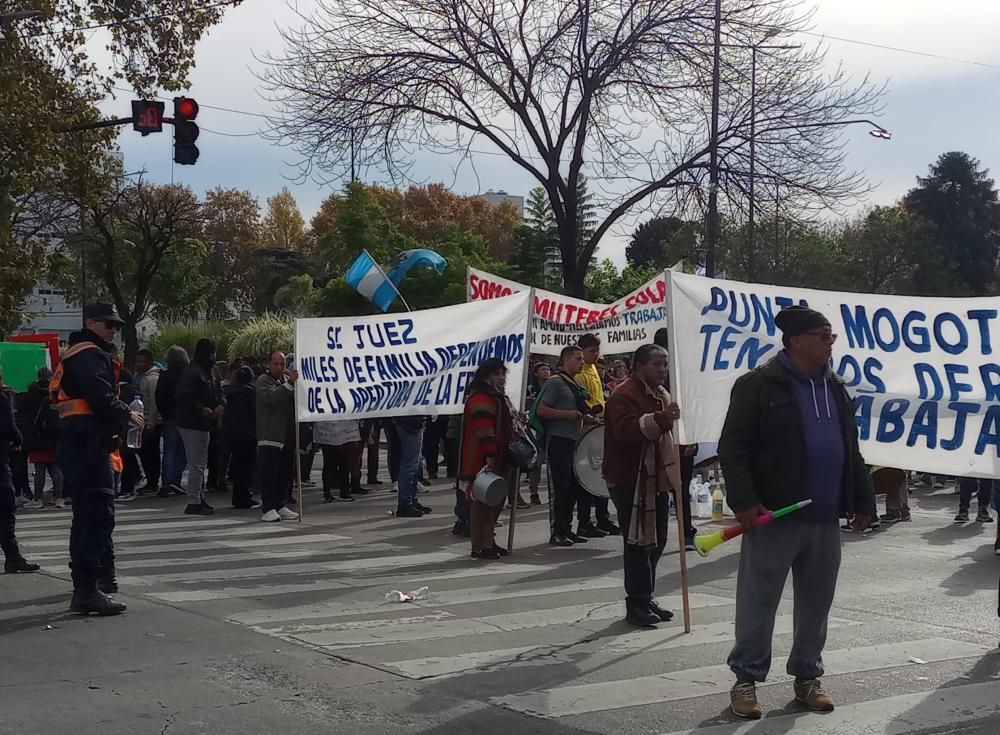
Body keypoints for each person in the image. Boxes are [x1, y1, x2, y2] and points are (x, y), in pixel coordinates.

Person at [718, 305, 874, 719]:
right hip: (774, 514)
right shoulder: (759, 385)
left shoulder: (836, 387)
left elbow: (851, 448)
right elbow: (733, 446)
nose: (830, 343)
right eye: (823, 336)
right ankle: (746, 679)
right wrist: (745, 502)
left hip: (825, 516)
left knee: (817, 603)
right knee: (759, 601)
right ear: (796, 341)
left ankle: (808, 677)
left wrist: (862, 500)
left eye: (831, 336)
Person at [54, 303, 142, 615]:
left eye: (115, 325)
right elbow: (101, 398)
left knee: (86, 516)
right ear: (90, 323)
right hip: (89, 445)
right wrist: (127, 413)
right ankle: (87, 589)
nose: (113, 330)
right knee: (97, 515)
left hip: (81, 444)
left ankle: (88, 585)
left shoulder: (78, 352)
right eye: (108, 324)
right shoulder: (89, 354)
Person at [604, 344, 681, 626]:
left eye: (665, 364)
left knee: (657, 540)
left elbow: (666, 432)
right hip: (630, 479)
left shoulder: (662, 394)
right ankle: (636, 603)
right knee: (638, 542)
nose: (663, 370)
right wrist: (661, 419)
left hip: (656, 478)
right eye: (657, 364)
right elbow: (625, 432)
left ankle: (646, 597)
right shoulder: (623, 394)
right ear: (639, 366)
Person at [537, 345, 599, 546]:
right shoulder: (555, 382)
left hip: (575, 441)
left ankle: (567, 528)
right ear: (566, 360)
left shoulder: (575, 384)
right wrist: (566, 415)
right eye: (578, 359)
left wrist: (589, 419)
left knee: (573, 487)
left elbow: (578, 412)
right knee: (560, 487)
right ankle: (557, 531)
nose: (582, 362)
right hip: (559, 440)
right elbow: (541, 410)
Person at [459, 358, 516, 560]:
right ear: (486, 376)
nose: (501, 378)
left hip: (499, 456)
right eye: (496, 374)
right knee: (483, 502)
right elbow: (484, 429)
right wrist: (490, 454)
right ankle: (480, 545)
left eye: (503, 374)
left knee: (495, 502)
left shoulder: (496, 396)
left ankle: (488, 540)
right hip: (482, 458)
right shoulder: (482, 398)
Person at [654, 327, 698, 549]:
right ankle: (681, 533)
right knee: (674, 489)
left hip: (678, 439)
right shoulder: (658, 379)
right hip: (665, 439)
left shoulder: (682, 373)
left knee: (678, 488)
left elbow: (690, 406)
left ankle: (684, 532)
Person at [574, 334, 619, 537]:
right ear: (581, 350)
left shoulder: (594, 368)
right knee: (586, 480)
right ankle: (585, 522)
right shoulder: (579, 373)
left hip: (601, 429)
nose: (595, 354)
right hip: (586, 433)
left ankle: (603, 518)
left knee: (603, 476)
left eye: (597, 350)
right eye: (591, 350)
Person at [175, 339, 224, 516]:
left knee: (199, 463)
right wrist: (202, 408)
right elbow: (184, 396)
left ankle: (198, 497)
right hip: (194, 422)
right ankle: (194, 500)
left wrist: (220, 405)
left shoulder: (203, 369)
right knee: (197, 464)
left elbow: (219, 391)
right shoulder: (197, 371)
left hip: (200, 421)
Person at [0, 371, 39, 574]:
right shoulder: (3, 395)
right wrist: (19, 439)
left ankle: (13, 556)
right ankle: (13, 557)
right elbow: (7, 425)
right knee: (6, 507)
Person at [255, 351, 300, 522]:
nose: (280, 367)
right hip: (270, 436)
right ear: (268, 364)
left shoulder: (285, 381)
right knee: (270, 474)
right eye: (276, 364)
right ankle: (268, 507)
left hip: (287, 436)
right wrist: (289, 384)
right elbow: (271, 398)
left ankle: (281, 504)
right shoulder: (263, 380)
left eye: (282, 364)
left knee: (285, 474)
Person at [21, 368, 63, 509]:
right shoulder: (57, 393)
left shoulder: (31, 393)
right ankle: (58, 498)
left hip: (38, 436)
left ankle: (37, 499)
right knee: (55, 468)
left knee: (39, 469)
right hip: (55, 436)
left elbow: (26, 413)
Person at [222, 366, 260, 509]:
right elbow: (254, 413)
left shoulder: (227, 391)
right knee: (246, 467)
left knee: (237, 465)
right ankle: (243, 496)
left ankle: (238, 495)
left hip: (232, 433)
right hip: (248, 434)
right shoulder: (250, 393)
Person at [155, 346, 189, 497]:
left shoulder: (165, 376)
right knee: (182, 450)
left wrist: (164, 413)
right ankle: (176, 480)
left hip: (169, 417)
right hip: (184, 416)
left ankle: (166, 483)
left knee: (169, 450)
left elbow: (159, 396)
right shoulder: (186, 375)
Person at [315, 419, 365, 502]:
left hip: (343, 430)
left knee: (343, 463)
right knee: (330, 463)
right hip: (327, 430)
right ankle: (329, 493)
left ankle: (343, 492)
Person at [134, 349, 161, 495]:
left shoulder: (152, 379)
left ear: (149, 362)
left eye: (141, 361)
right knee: (144, 453)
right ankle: (150, 480)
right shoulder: (141, 377)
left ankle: (152, 482)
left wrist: (151, 423)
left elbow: (154, 403)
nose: (139, 365)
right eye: (137, 361)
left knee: (151, 454)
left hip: (150, 422)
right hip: (143, 420)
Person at [393, 415, 431, 517]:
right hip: (410, 424)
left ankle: (411, 500)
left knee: (414, 465)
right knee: (410, 465)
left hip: (412, 423)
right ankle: (405, 503)